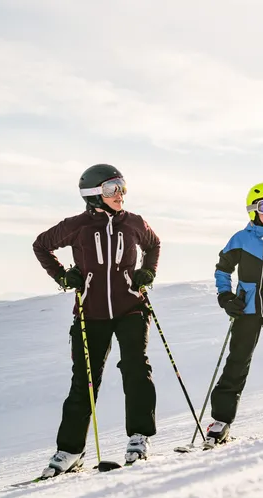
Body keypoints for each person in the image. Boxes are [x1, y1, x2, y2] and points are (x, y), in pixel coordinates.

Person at [32, 163, 161, 476]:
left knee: (135, 368)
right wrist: (63, 276)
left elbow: (154, 244)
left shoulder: (134, 222)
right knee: (85, 381)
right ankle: (70, 450)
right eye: (112, 188)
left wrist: (148, 272)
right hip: (91, 314)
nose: (120, 194)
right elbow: (42, 245)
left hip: (131, 308)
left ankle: (139, 437)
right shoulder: (76, 225)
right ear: (93, 193)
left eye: (122, 187)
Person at [205, 183, 263, 447]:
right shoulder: (241, 239)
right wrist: (226, 296)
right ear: (253, 210)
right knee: (238, 361)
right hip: (247, 307)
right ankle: (221, 421)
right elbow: (223, 270)